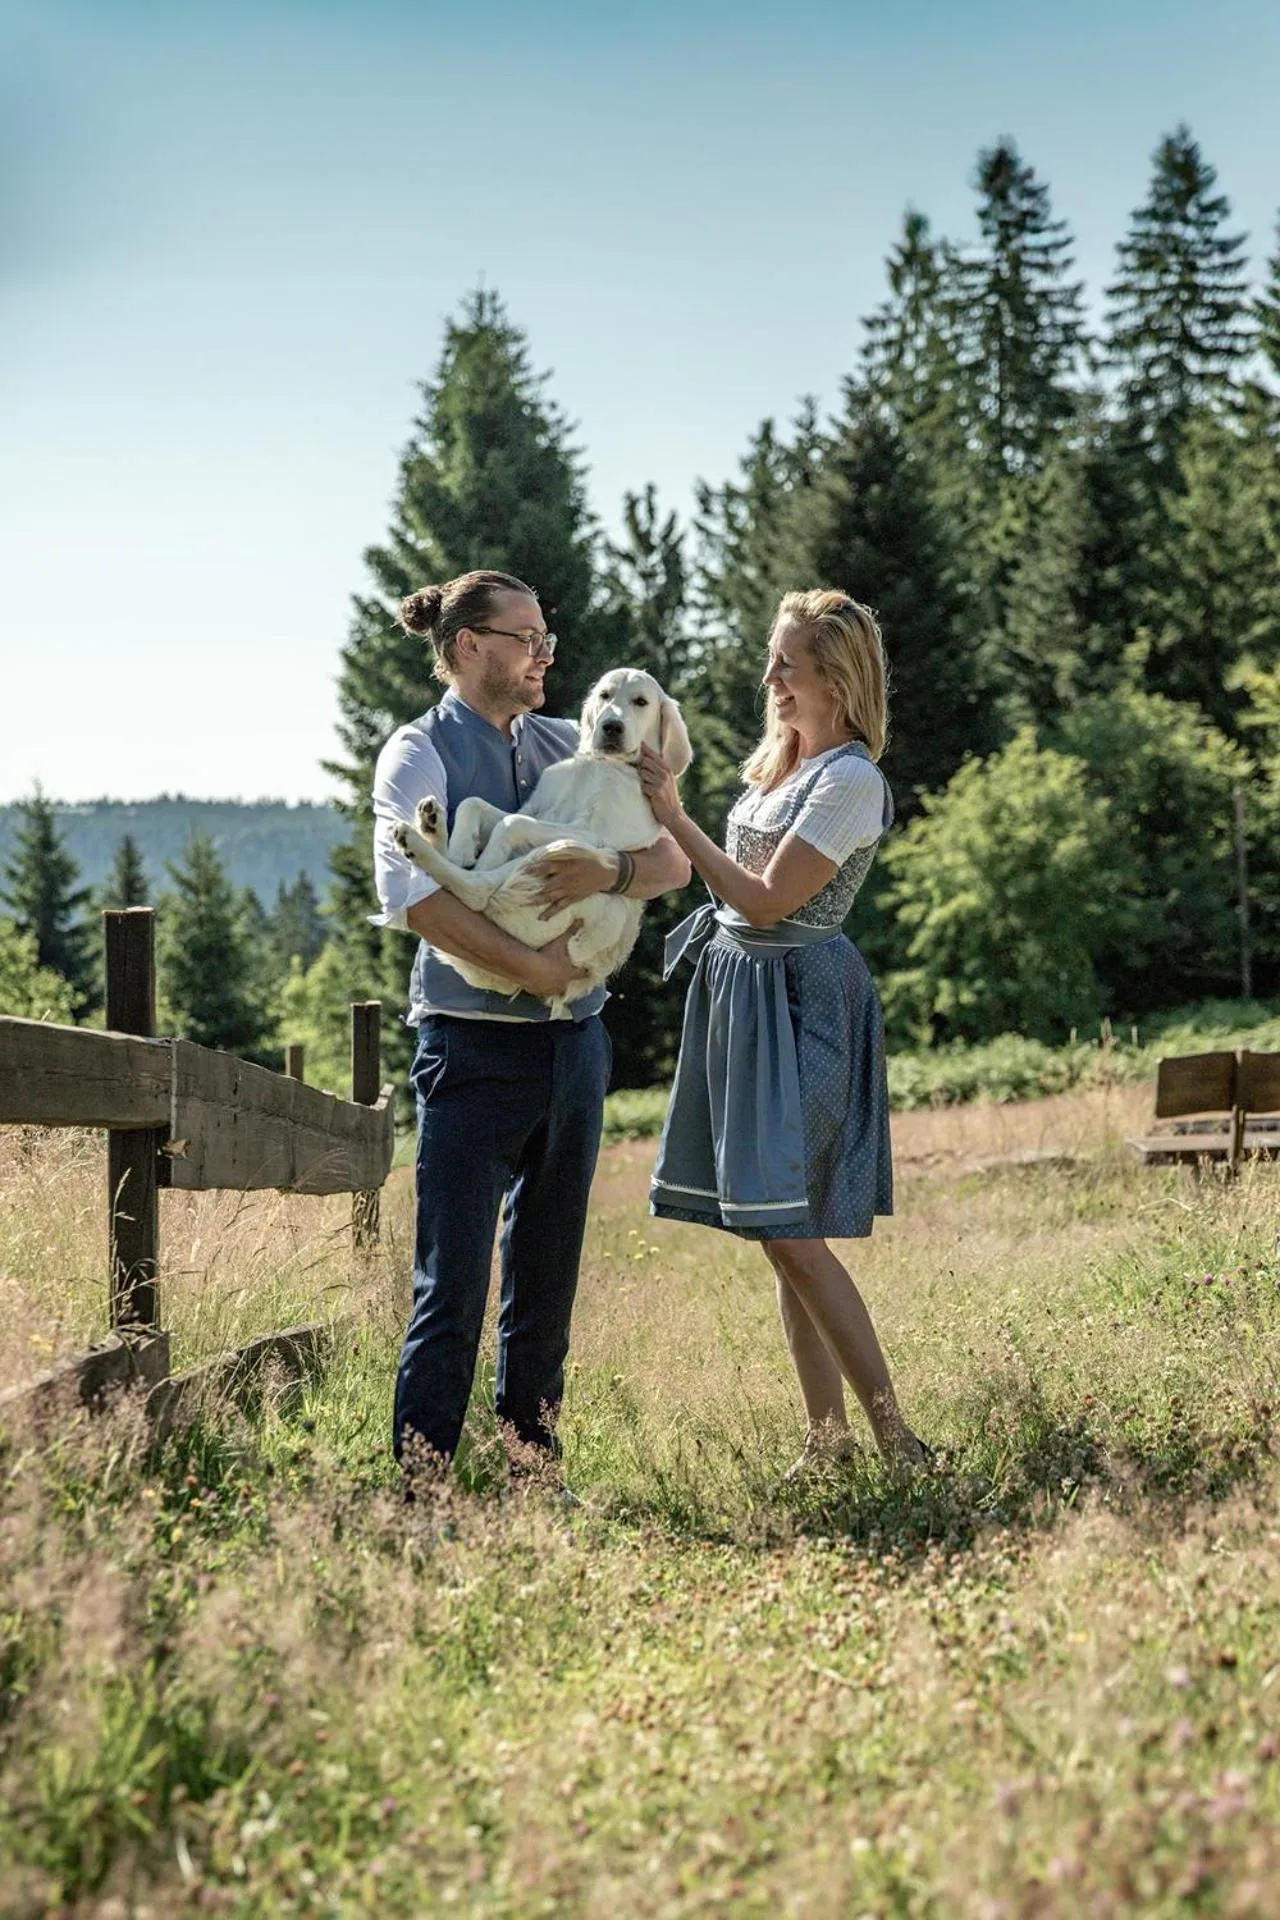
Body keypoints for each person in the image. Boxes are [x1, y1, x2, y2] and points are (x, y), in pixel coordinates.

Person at [372, 569, 690, 1478]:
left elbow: (670, 856)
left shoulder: (576, 740)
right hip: (469, 1048)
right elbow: (413, 896)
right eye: (527, 639)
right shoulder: (417, 753)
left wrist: (612, 877)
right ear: (470, 647)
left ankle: (530, 1475)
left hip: (574, 1045)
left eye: (548, 639)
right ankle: (424, 1487)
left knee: (547, 1276)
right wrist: (538, 969)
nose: (546, 655)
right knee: (454, 1282)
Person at [639, 588, 928, 1471]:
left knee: (787, 1229)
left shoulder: (849, 781)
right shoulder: (782, 766)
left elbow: (765, 899)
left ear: (834, 680)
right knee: (778, 1232)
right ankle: (827, 1442)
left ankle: (894, 1439)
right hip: (743, 991)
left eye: (786, 664)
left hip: (802, 1001)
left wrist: (675, 813)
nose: (769, 677)